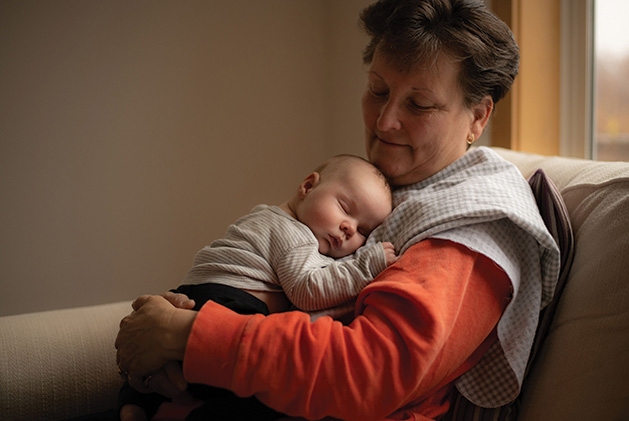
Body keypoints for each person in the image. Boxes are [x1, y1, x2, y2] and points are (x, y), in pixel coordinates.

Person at [115, 1, 561, 420]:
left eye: (419, 104)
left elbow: (370, 369)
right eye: (377, 90)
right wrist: (179, 318)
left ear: (478, 118)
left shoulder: (468, 228)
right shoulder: (391, 193)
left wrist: (184, 334)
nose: (385, 121)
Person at [119, 154, 398, 421]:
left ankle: (133, 404)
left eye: (364, 230)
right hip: (228, 305)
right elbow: (307, 290)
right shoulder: (296, 235)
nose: (350, 228)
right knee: (266, 395)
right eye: (346, 209)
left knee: (163, 370)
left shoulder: (266, 216)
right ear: (308, 186)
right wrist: (365, 266)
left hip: (191, 298)